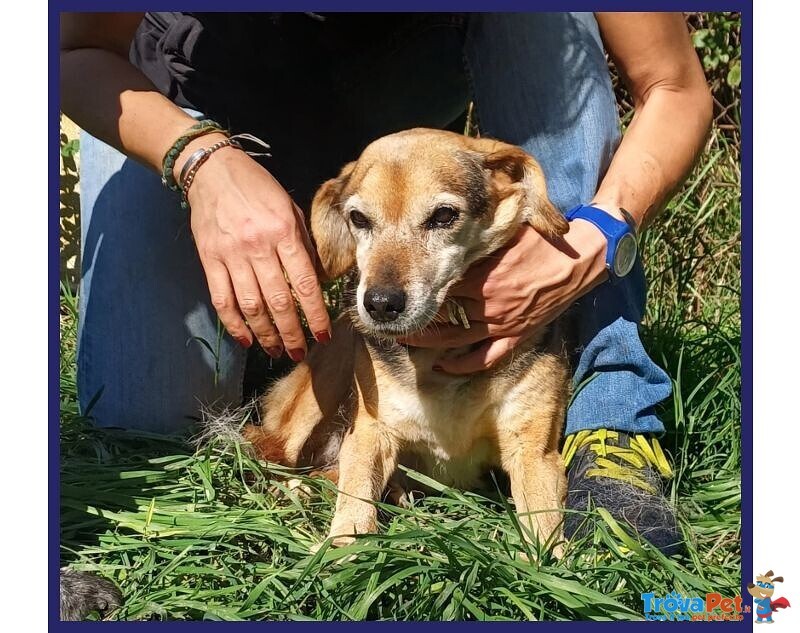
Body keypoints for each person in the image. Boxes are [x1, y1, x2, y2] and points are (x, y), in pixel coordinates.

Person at [60, 12, 712, 554]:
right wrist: (200, 162)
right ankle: (307, 384)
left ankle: (609, 413)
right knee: (145, 420)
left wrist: (596, 235)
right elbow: (70, 52)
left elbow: (675, 88)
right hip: (182, 100)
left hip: (401, 102)